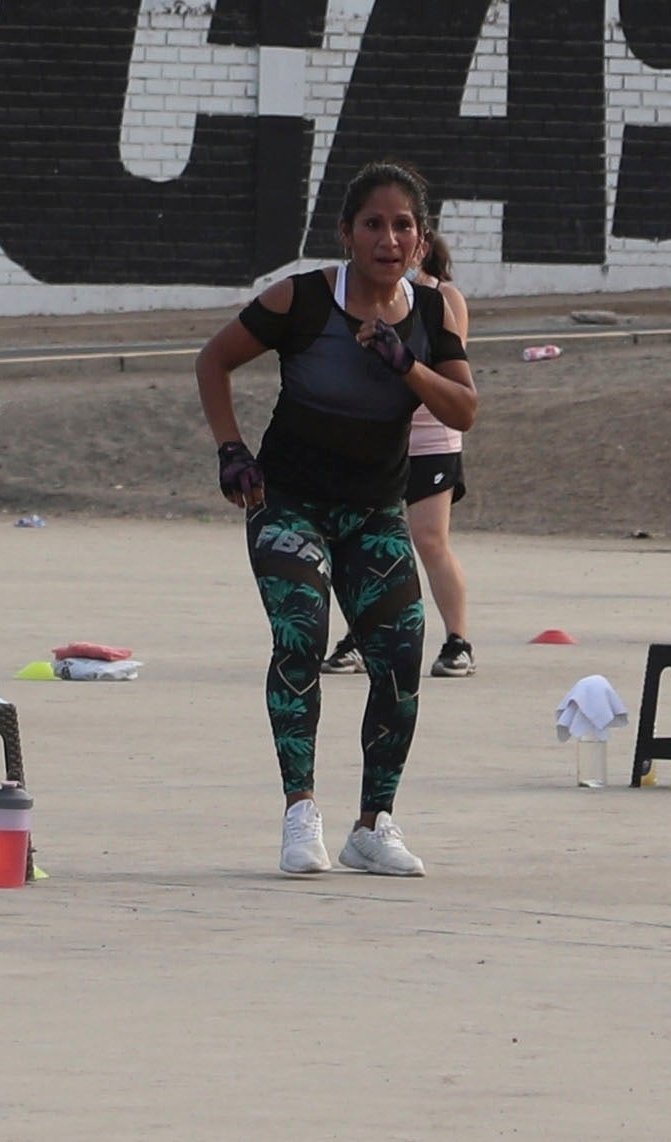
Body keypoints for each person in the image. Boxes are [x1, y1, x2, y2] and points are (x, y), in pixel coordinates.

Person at [193, 161, 472, 879]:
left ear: (421, 237)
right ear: (346, 233)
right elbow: (213, 360)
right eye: (373, 224)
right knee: (301, 637)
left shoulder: (437, 311)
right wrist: (231, 449)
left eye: (403, 224)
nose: (388, 238)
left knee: (402, 659)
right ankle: (300, 812)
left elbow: (463, 410)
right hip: (288, 504)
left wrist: (403, 362)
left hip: (374, 511)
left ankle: (373, 824)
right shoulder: (303, 299)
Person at [400, 232, 478, 681]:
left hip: (432, 436)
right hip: (383, 435)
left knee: (429, 538)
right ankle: (360, 636)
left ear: (422, 247)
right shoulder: (368, 293)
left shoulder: (443, 296)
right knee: (369, 539)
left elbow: (448, 362)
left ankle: (457, 641)